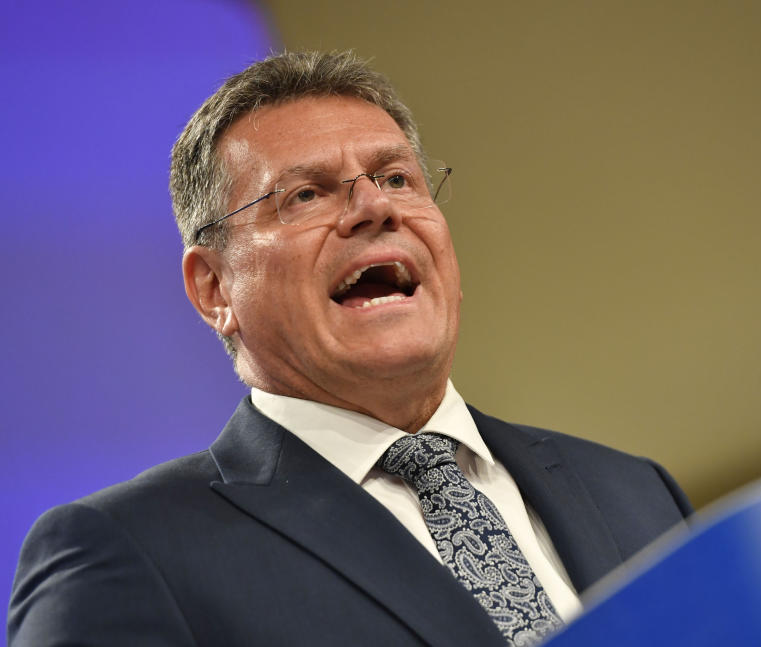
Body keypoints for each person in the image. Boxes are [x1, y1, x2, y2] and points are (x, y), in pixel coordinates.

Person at [8, 51, 692, 646]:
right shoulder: (128, 551)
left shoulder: (637, 492)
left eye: (397, 178)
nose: (375, 207)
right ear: (213, 286)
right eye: (305, 195)